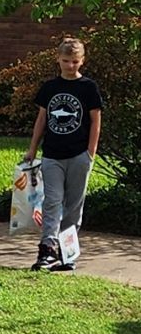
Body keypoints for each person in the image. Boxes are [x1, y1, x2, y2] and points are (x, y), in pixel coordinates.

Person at [24, 37, 103, 273]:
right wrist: (33, 148)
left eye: (75, 61)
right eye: (66, 61)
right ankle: (47, 249)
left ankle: (67, 253)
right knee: (52, 201)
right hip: (52, 155)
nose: (70, 66)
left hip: (79, 155)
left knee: (73, 206)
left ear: (82, 61)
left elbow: (95, 121)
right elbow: (41, 119)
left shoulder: (88, 88)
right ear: (58, 59)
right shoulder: (50, 88)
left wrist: (91, 152)